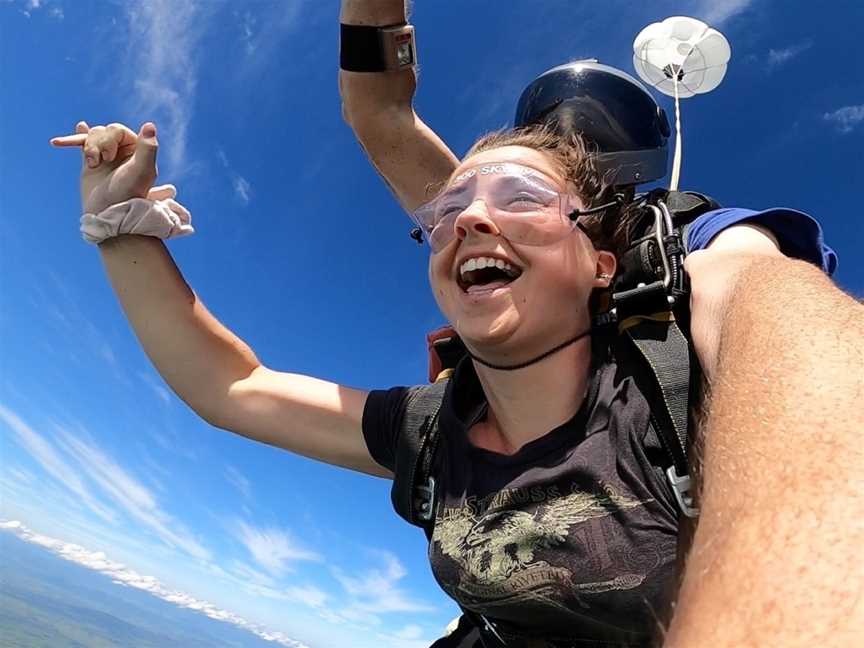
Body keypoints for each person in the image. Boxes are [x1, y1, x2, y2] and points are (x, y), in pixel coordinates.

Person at [52, 110, 862, 648]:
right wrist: (120, 230)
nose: (472, 218)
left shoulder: (674, 397)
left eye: (520, 197)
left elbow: (831, 417)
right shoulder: (431, 428)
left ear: (599, 263)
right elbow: (230, 387)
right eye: (449, 210)